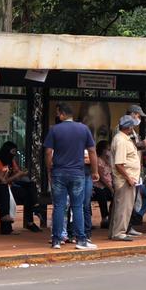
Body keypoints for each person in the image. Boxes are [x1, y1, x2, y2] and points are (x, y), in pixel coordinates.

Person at [44, 103, 99, 251]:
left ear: (61, 114)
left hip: (59, 173)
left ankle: (56, 240)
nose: (57, 116)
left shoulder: (54, 130)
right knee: (78, 207)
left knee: (59, 207)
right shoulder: (83, 129)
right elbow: (92, 152)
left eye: (57, 113)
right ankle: (81, 240)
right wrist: (95, 171)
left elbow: (48, 152)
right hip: (77, 173)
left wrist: (50, 168)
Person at [0, 142, 42, 233]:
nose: (14, 154)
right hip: (3, 188)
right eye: (12, 152)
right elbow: (3, 181)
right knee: (26, 194)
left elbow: (17, 174)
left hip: (12, 185)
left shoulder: (12, 161)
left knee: (31, 186)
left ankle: (35, 207)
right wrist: (17, 175)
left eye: (15, 152)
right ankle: (31, 218)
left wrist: (21, 174)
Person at [108, 116, 141, 241]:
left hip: (125, 179)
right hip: (124, 180)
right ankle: (119, 232)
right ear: (129, 127)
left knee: (120, 206)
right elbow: (119, 164)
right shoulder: (121, 141)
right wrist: (129, 178)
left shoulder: (122, 138)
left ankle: (115, 232)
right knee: (124, 207)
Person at [94, 140, 115, 229]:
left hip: (109, 185)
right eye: (107, 149)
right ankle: (104, 217)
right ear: (102, 150)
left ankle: (111, 217)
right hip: (100, 186)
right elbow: (102, 178)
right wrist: (111, 188)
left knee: (117, 196)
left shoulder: (108, 161)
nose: (109, 151)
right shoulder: (98, 161)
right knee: (101, 194)